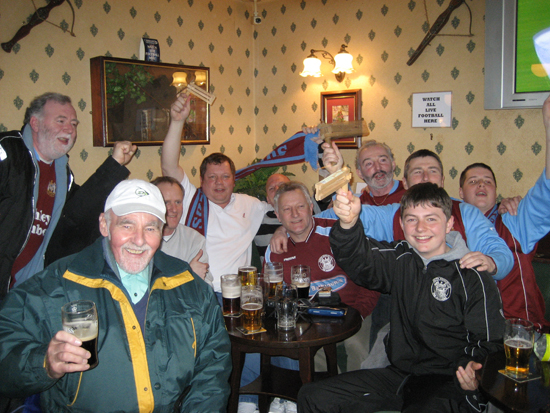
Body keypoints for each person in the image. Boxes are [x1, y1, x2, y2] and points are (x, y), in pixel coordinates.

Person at [0, 179, 231, 412]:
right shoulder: (57, 284)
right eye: (127, 225)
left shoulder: (189, 285)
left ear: (162, 231)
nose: (139, 240)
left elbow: (212, 371)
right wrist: (44, 363)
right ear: (104, 225)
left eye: (150, 227)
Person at [297, 182, 505, 413]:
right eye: (412, 219)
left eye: (431, 218)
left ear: (449, 225)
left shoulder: (472, 274)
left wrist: (473, 371)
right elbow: (359, 260)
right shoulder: (400, 258)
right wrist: (347, 223)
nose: (420, 227)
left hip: (448, 379)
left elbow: (489, 341)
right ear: (401, 225)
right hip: (399, 374)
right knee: (312, 396)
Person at [0, 92, 136, 299]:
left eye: (73, 124)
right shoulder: (7, 152)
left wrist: (115, 165)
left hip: (25, 290)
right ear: (35, 123)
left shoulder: (62, 174)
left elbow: (80, 212)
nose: (70, 129)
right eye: (61, 121)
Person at [161, 93, 270, 294]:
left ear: (234, 179)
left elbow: (283, 209)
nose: (219, 183)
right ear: (201, 181)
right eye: (212, 177)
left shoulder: (250, 204)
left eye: (225, 177)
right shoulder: (190, 200)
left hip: (239, 296)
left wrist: (281, 231)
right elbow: (169, 167)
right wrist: (177, 122)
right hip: (198, 292)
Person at [151, 176, 214, 287]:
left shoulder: (194, 239)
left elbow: (206, 289)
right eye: (166, 202)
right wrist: (188, 274)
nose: (174, 209)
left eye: (178, 202)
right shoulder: (140, 240)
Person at [322, 139, 406, 205]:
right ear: (360, 173)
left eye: (383, 160)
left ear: (393, 164)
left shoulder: (409, 192)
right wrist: (335, 172)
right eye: (369, 164)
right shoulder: (359, 204)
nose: (378, 167)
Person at [254, 173, 291, 261]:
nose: (277, 190)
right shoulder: (258, 221)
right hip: (272, 273)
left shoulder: (308, 211)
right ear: (268, 200)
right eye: (271, 189)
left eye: (281, 185)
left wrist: (283, 229)